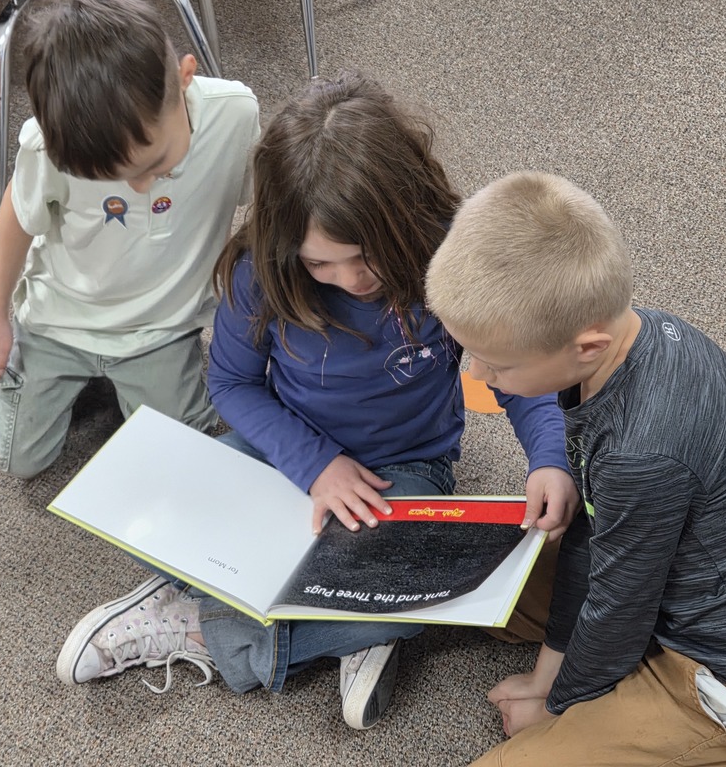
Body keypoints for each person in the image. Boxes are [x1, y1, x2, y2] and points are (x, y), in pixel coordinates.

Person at [55, 73, 579, 730]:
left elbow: (519, 370)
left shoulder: (456, 251)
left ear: (406, 214)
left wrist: (550, 458)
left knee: (429, 600)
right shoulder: (261, 271)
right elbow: (233, 385)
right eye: (320, 264)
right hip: (282, 451)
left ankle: (202, 626)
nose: (351, 279)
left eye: (366, 257)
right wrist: (315, 464)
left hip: (406, 469)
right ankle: (339, 624)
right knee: (156, 515)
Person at [424, 171, 726, 766]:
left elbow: (619, 609)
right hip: (655, 574)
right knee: (453, 575)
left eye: (497, 365)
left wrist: (556, 706)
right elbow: (593, 535)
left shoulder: (642, 454)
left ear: (585, 346)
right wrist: (547, 671)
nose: (478, 378)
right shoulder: (633, 340)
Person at [0, 0, 259, 478]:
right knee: (14, 461)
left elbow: (268, 206)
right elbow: (19, 211)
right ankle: (62, 371)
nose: (139, 188)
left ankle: (129, 378)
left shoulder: (236, 114)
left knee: (180, 456)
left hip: (161, 327)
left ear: (186, 76)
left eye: (154, 164)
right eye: (115, 177)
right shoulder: (49, 144)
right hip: (59, 321)